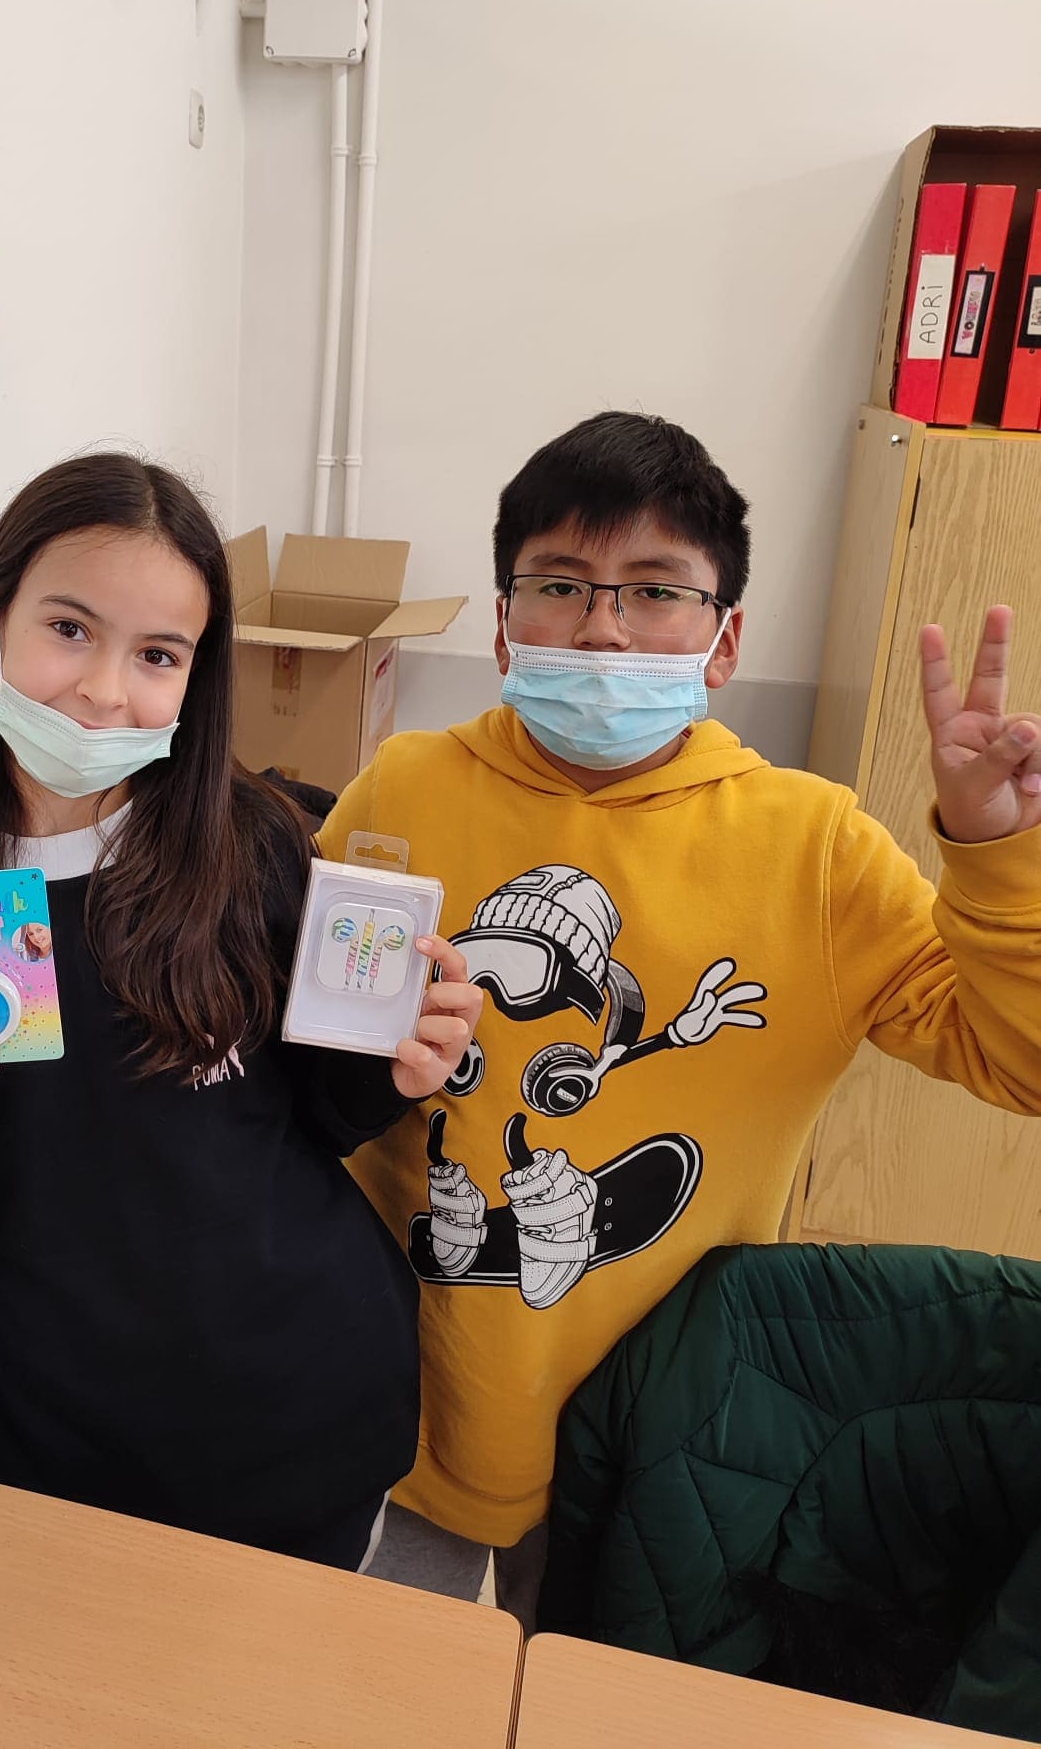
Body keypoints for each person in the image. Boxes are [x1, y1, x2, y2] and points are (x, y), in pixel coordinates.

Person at [319, 410, 1041, 1620]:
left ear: (724, 639)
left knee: (595, 1688)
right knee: (370, 1679)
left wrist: (998, 858)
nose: (603, 625)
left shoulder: (816, 848)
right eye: (560, 584)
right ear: (504, 623)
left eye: (656, 590)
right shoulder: (403, 789)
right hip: (400, 1397)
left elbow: (1019, 1061)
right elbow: (314, 1050)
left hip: (658, 1434)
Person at [0, 453, 482, 1571]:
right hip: (38, 1448)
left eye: (158, 654)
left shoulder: (260, 848)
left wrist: (392, 1068)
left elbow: (317, 1118)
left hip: (298, 1418)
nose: (106, 691)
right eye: (70, 629)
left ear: (195, 675)